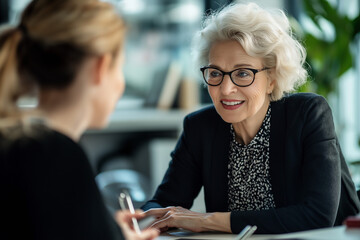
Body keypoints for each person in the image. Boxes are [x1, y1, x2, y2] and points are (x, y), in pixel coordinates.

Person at [142, 2, 360, 234]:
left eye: (243, 73)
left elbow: (317, 216)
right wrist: (142, 218)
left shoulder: (308, 115)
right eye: (215, 73)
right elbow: (163, 204)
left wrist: (207, 220)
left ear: (272, 79)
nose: (225, 89)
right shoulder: (199, 127)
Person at [0, 0, 158, 239]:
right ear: (100, 66)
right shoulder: (57, 156)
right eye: (120, 67)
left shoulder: (18, 144)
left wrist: (105, 227)